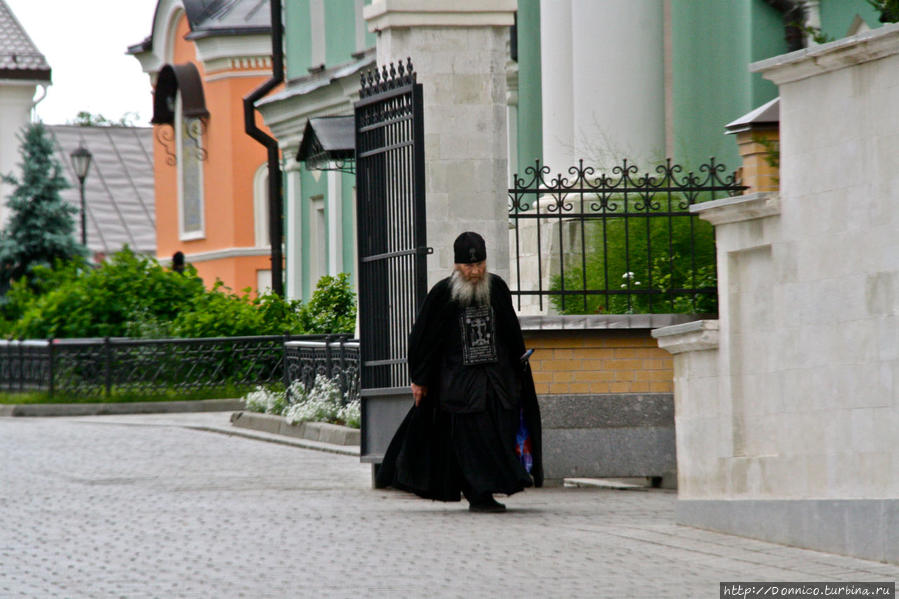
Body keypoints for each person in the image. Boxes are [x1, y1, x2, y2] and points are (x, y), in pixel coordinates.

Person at [376, 231, 543, 512]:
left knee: (500, 431)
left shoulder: (497, 288)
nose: (475, 272)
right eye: (469, 266)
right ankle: (480, 494)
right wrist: (419, 378)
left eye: (479, 266)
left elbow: (511, 330)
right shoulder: (443, 294)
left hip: (497, 381)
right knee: (471, 439)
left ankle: (498, 484)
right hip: (460, 385)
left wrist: (518, 364)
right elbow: (423, 339)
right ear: (456, 265)